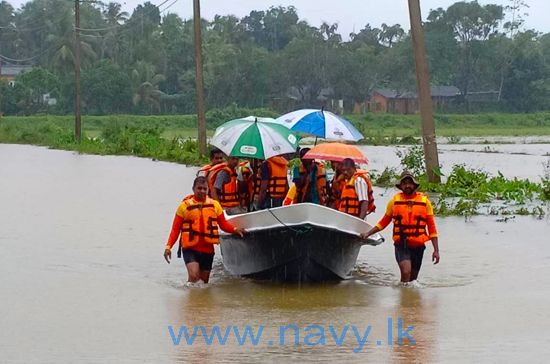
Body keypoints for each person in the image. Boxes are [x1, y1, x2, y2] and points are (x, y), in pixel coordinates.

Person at [361, 171, 440, 283]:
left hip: (418, 246)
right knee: (406, 272)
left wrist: (436, 250)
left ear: (414, 185)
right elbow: (383, 222)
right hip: (401, 244)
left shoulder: (425, 202)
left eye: (410, 183)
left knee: (413, 279)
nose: (407, 185)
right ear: (401, 186)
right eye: (404, 183)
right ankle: (403, 298)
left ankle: (407, 298)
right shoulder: (394, 202)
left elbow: (432, 228)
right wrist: (368, 233)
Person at [164, 176, 245, 283]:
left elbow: (223, 224)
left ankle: (197, 298)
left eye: (204, 189)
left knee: (203, 282)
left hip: (208, 249)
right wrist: (168, 247)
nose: (202, 191)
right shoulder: (183, 206)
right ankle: (190, 298)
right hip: (190, 248)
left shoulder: (215, 205)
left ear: (208, 190)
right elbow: (175, 229)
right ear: (193, 189)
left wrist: (235, 229)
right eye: (199, 188)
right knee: (194, 276)